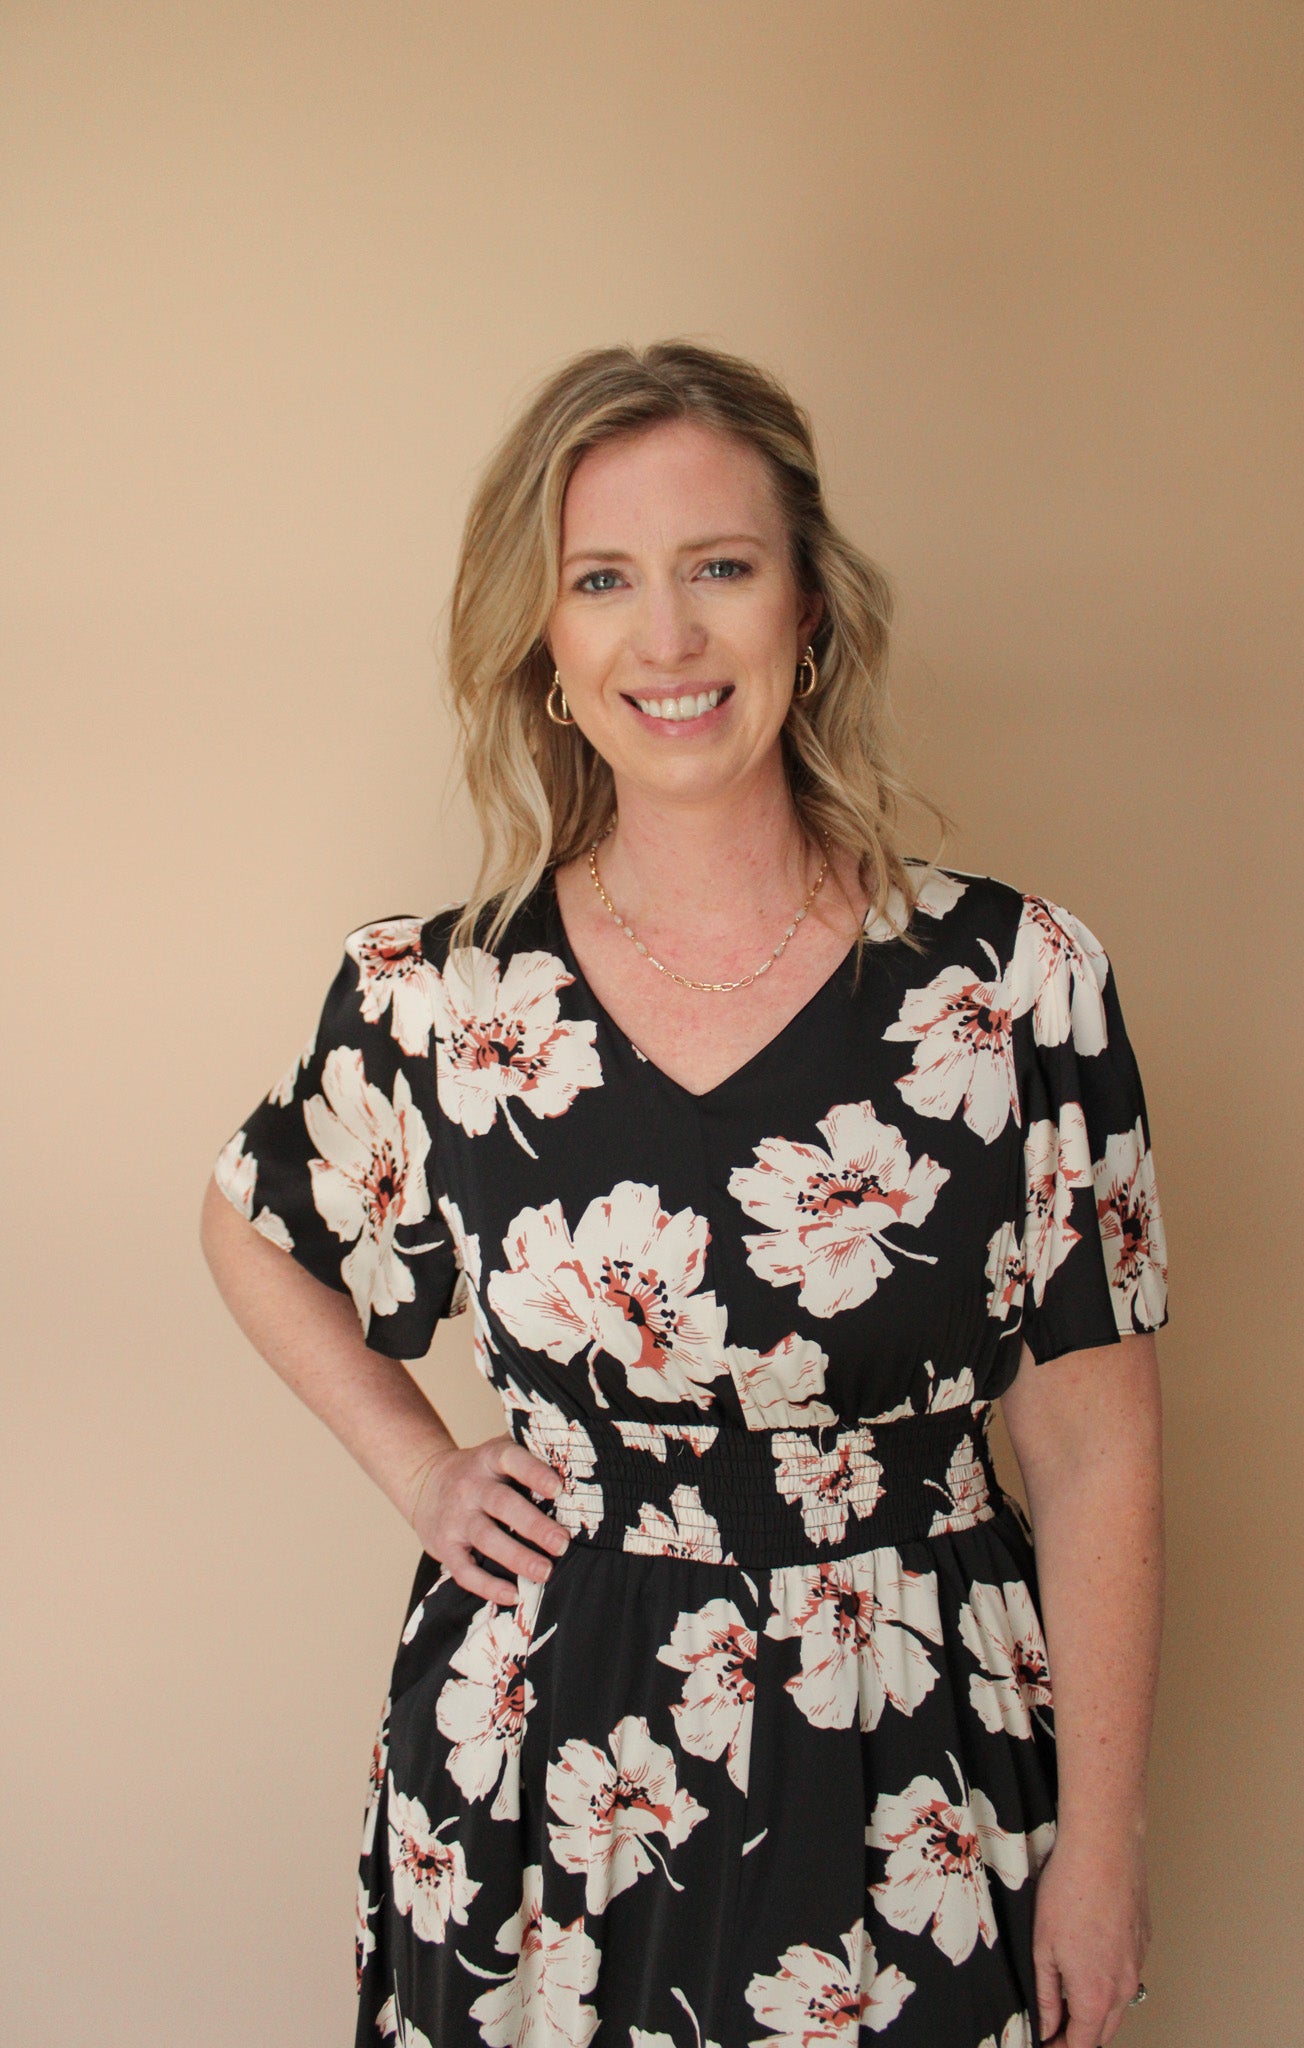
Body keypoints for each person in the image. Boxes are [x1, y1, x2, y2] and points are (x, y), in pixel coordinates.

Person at [201, 338, 1168, 2048]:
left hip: (916, 1755)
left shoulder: (1011, 986)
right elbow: (252, 1225)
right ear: (543, 643)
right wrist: (420, 1469)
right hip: (537, 1766)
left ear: (809, 606)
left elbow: (1094, 1451)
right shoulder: (438, 999)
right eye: (602, 580)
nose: (666, 637)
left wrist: (1100, 1847)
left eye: (718, 567)